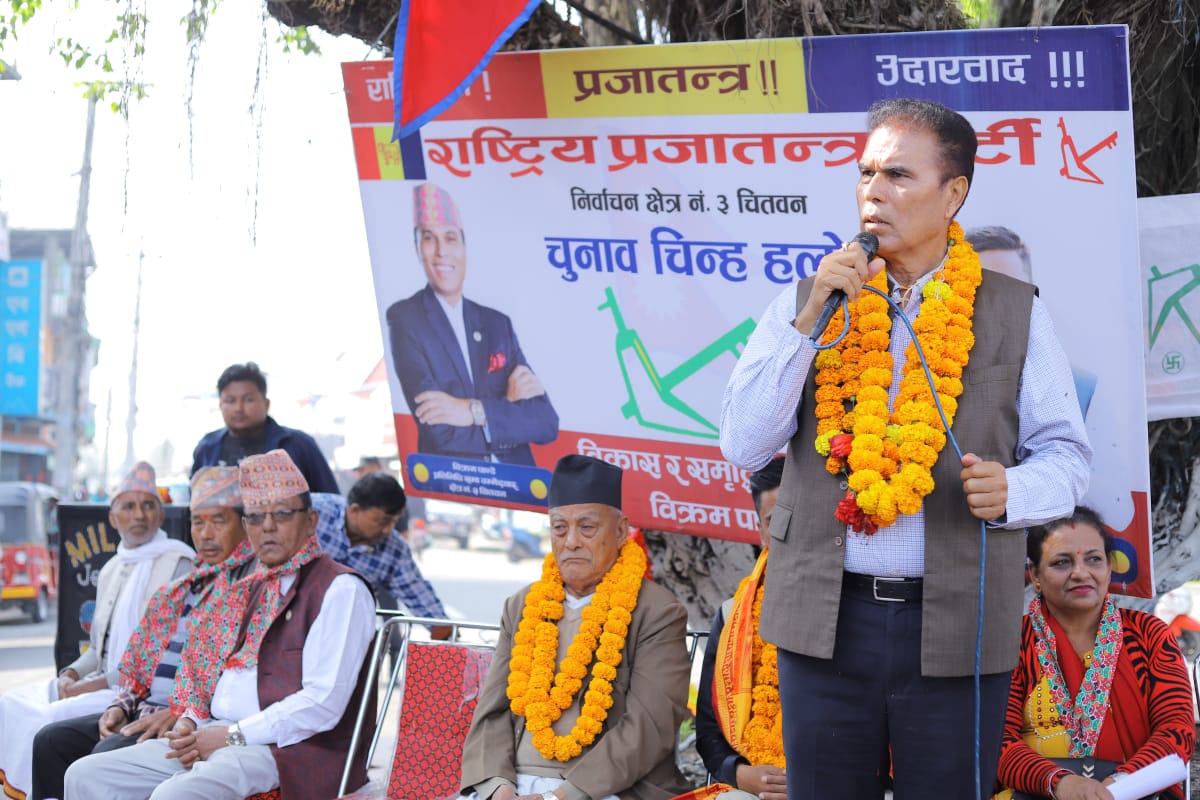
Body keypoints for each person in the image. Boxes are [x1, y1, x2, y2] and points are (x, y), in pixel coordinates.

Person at [719, 98, 1092, 799]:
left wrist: (1014, 490)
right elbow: (743, 443)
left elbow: (1068, 458)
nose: (873, 192)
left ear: (953, 195)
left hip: (955, 619)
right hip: (824, 619)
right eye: (865, 173)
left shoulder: (1014, 311)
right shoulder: (807, 301)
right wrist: (810, 320)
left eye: (897, 175)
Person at [63, 450, 377, 800]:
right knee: (87, 775)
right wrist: (189, 723)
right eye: (256, 517)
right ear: (246, 526)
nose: (268, 527)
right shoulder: (248, 589)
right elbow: (207, 677)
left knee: (173, 796)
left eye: (282, 514)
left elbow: (322, 703)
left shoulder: (339, 589)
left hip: (290, 750)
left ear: (311, 521)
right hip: (218, 733)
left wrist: (233, 735)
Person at [460, 454, 692, 800]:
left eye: (587, 527)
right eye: (559, 528)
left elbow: (649, 726)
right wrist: (498, 787)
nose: (571, 542)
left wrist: (558, 797)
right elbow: (492, 712)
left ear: (620, 531)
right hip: (514, 783)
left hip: (606, 789)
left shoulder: (657, 611)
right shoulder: (522, 605)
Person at [31, 467, 257, 800]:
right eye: (198, 522)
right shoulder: (184, 587)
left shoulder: (250, 589)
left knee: (100, 758)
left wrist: (181, 713)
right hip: (144, 709)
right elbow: (138, 668)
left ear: (245, 524)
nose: (206, 534)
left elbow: (232, 682)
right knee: (50, 741)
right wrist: (120, 706)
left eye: (218, 522)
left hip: (189, 721)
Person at [0, 463, 194, 800]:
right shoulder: (110, 569)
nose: (139, 515)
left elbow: (153, 658)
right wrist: (71, 673)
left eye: (148, 505)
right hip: (101, 680)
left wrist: (89, 686)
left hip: (132, 689)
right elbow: (96, 649)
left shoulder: (180, 563)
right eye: (128, 506)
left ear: (161, 515)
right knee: (11, 704)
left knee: (47, 720)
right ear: (113, 518)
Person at [994, 508, 1194, 800]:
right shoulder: (1015, 641)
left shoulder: (1148, 635)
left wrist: (1118, 785)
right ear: (1035, 575)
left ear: (1110, 568)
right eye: (1062, 562)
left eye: (1094, 559)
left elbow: (1176, 732)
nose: (1080, 572)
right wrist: (1060, 783)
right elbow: (998, 741)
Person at [386, 182, 559, 465]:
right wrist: (507, 407)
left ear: (464, 246)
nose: (441, 251)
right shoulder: (406, 319)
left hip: (519, 478)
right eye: (429, 238)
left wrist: (470, 411)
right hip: (457, 478)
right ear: (417, 248)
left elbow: (545, 422)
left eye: (450, 238)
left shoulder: (497, 323)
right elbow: (441, 434)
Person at [694, 457, 786, 800]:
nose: (788, 532)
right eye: (776, 521)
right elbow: (708, 728)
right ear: (761, 531)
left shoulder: (858, 607)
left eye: (799, 517)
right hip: (755, 784)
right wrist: (742, 774)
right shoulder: (732, 615)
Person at [964, 225, 1097, 417]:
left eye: (1015, 286)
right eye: (987, 288)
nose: (1003, 300)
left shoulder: (1079, 386)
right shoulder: (939, 383)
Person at [311, 471, 452, 640]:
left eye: (394, 522)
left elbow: (418, 595)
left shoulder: (394, 549)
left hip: (345, 633)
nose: (388, 529)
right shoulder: (314, 513)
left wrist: (448, 638)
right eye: (382, 521)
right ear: (355, 510)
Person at [190, 362, 338, 493]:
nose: (238, 408)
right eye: (230, 401)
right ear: (220, 405)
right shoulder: (207, 447)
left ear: (266, 404)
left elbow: (331, 500)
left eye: (249, 400)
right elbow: (195, 503)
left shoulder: (297, 444)